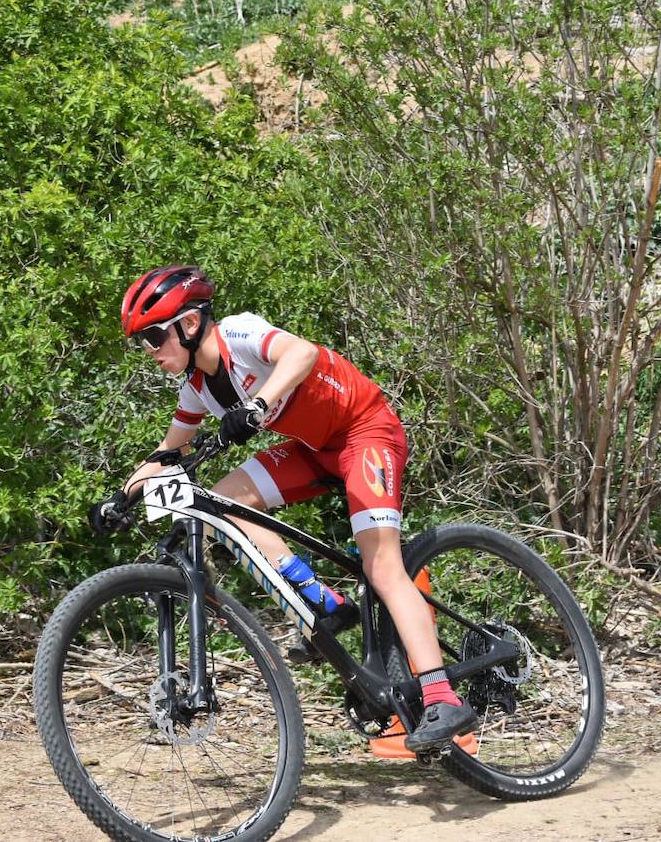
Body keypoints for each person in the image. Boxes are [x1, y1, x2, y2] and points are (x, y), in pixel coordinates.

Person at [88, 265, 478, 752]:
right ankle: (324, 601)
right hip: (311, 447)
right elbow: (169, 453)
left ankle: (442, 696)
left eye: (152, 337)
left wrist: (257, 405)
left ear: (189, 325)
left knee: (381, 565)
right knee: (223, 501)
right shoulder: (196, 386)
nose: (149, 352)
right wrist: (122, 496)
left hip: (365, 431)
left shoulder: (239, 333)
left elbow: (303, 353)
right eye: (141, 343)